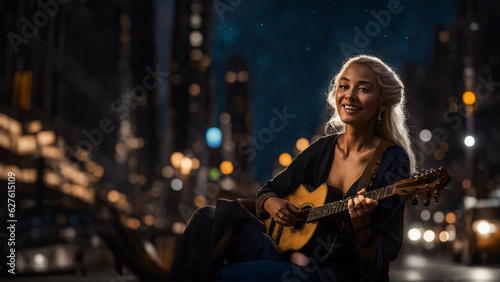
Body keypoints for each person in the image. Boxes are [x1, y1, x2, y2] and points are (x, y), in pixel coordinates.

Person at [168, 54, 416, 281]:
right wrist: (270, 203)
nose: (349, 95)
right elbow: (269, 189)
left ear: (382, 103)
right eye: (344, 86)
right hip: (286, 251)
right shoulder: (323, 148)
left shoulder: (393, 161)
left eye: (363, 89)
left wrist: (361, 226)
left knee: (223, 275)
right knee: (205, 218)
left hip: (334, 271)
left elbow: (383, 254)